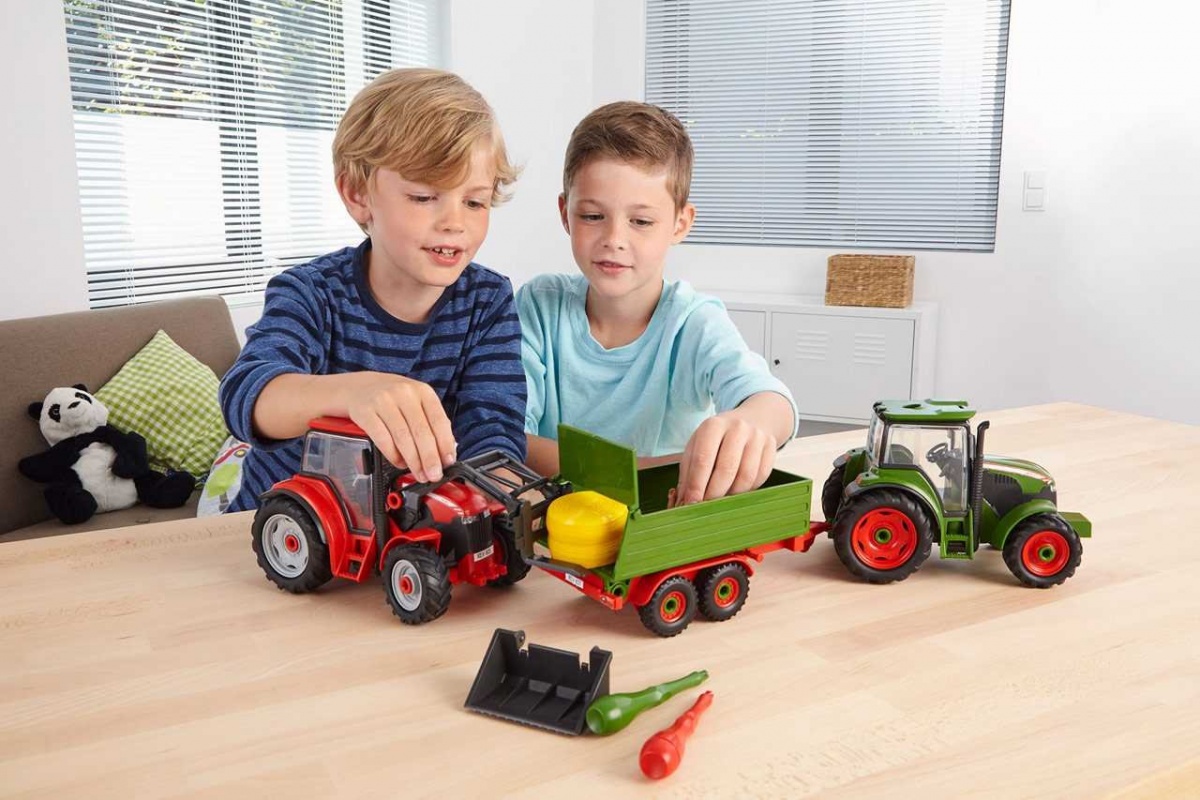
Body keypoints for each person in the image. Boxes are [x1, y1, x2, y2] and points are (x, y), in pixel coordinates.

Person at [219, 68, 526, 513]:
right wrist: (354, 393)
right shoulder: (312, 292)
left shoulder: (488, 301)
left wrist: (498, 504)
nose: (455, 222)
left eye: (474, 201)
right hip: (281, 522)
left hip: (402, 528)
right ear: (358, 195)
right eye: (424, 197)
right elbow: (246, 396)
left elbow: (493, 430)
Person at [518, 101, 798, 506]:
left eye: (641, 221)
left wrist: (750, 422)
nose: (614, 239)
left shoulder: (693, 322)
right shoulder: (539, 306)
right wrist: (652, 470)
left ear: (680, 224)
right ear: (566, 213)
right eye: (593, 216)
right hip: (561, 525)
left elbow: (772, 402)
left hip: (663, 523)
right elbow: (510, 437)